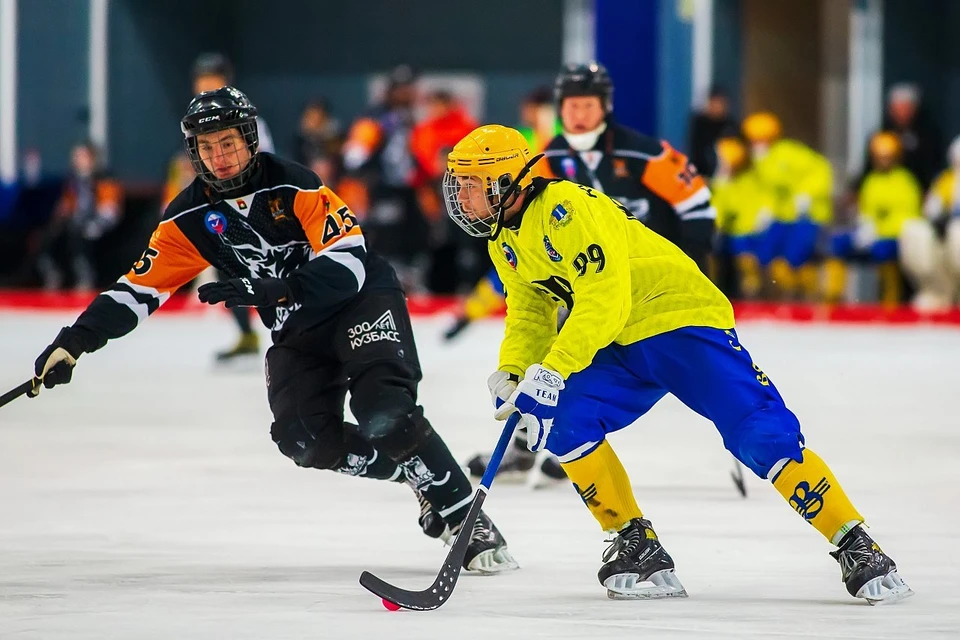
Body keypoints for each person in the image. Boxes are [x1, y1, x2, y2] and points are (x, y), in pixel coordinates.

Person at [27, 87, 516, 575]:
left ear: (249, 139)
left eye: (228, 143)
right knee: (304, 440)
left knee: (385, 414)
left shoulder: (295, 186)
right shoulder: (187, 220)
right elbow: (136, 290)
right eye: (206, 147)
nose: (219, 157)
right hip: (298, 331)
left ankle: (463, 516)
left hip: (359, 304)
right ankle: (417, 475)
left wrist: (281, 289)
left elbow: (348, 262)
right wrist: (74, 342)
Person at [442, 123, 913, 603]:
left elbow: (603, 299)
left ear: (505, 183)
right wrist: (516, 371)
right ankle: (636, 546)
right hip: (621, 338)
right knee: (566, 419)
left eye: (470, 184)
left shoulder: (568, 210)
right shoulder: (504, 239)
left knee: (759, 433)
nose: (460, 195)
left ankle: (855, 541)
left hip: (680, 319)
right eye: (458, 183)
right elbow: (530, 311)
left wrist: (555, 368)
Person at [464, 62, 717, 485]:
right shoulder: (548, 157)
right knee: (549, 354)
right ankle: (533, 443)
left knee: (579, 359)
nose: (578, 114)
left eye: (588, 105)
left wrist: (688, 268)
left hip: (645, 282)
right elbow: (521, 223)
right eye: (571, 105)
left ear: (606, 107)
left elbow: (698, 208)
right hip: (578, 278)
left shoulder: (644, 152)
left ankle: (562, 444)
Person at [187, 52, 276, 363]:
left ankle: (284, 329)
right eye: (201, 79)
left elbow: (264, 164)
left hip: (253, 208)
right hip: (221, 210)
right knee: (227, 271)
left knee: (265, 267)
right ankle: (247, 333)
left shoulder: (248, 122)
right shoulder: (195, 124)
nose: (204, 84)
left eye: (210, 78)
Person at [742, 111, 833, 301]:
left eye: (761, 140)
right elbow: (766, 191)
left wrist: (807, 194)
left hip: (809, 215)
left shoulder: (790, 153)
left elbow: (821, 170)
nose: (757, 145)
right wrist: (764, 210)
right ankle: (781, 295)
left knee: (796, 256)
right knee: (766, 253)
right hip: (783, 216)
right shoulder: (761, 162)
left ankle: (807, 296)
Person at [825, 132, 921, 306]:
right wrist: (864, 225)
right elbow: (866, 211)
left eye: (887, 157)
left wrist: (879, 230)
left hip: (892, 238)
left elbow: (909, 217)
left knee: (884, 252)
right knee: (838, 243)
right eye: (879, 157)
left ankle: (890, 300)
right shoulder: (870, 181)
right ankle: (833, 298)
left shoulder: (905, 182)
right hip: (871, 235)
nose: (883, 161)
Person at [35, 141, 122, 291]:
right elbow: (67, 204)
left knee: (79, 237)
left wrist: (98, 224)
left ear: (92, 159)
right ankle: (52, 273)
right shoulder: (73, 180)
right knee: (48, 237)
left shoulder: (104, 178)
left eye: (81, 156)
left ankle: (85, 276)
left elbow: (110, 209)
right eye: (75, 157)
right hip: (76, 222)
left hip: (97, 223)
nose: (77, 160)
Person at [899, 135, 960, 310]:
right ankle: (937, 292)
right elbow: (932, 209)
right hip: (945, 234)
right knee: (916, 231)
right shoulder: (945, 181)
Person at [711, 135, 773, 299]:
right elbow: (722, 207)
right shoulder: (725, 182)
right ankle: (745, 294)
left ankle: (756, 295)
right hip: (735, 232)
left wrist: (767, 212)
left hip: (753, 230)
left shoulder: (752, 178)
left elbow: (765, 196)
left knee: (750, 263)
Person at [687, 85, 738, 179]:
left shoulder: (730, 126)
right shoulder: (700, 123)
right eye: (714, 103)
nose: (717, 107)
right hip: (702, 175)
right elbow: (695, 152)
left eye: (720, 103)